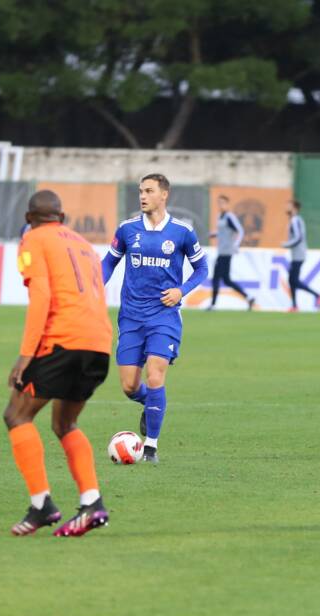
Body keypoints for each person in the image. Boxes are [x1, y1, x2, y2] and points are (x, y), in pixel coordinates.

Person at [3, 190, 113, 537]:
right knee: (65, 423)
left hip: (63, 341)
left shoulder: (34, 239)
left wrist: (26, 355)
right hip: (99, 343)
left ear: (28, 218)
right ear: (62, 217)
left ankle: (42, 505)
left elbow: (41, 296)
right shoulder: (85, 246)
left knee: (16, 414)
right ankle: (92, 503)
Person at [102, 173, 209, 464]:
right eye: (141, 191)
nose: (142, 196)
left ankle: (150, 446)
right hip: (131, 316)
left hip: (164, 316)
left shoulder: (182, 232)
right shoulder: (127, 229)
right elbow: (109, 262)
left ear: (164, 195)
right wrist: (93, 286)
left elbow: (202, 269)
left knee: (155, 375)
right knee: (129, 386)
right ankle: (151, 404)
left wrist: (181, 290)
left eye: (149, 191)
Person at [207, 195, 254, 310]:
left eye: (223, 203)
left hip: (226, 252)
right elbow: (223, 232)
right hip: (221, 251)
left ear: (227, 204)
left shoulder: (230, 217)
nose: (221, 205)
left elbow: (240, 230)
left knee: (217, 278)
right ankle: (249, 297)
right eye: (219, 203)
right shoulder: (220, 216)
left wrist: (236, 245)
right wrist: (214, 234)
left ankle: (213, 304)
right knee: (226, 280)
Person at [281, 199, 320, 312]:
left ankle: (318, 296)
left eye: (289, 205)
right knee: (292, 280)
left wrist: (286, 244)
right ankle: (294, 305)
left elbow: (298, 237)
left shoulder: (295, 220)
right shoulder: (295, 220)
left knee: (293, 280)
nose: (286, 207)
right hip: (296, 254)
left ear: (295, 208)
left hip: (298, 254)